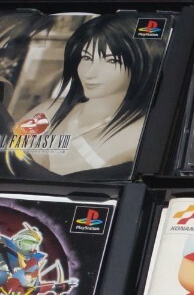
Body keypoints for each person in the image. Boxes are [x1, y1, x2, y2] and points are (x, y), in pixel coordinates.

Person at [23, 14, 164, 176]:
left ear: (141, 63)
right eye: (86, 57)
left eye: (111, 61)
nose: (90, 73)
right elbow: (8, 158)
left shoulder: (143, 135)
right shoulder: (49, 111)